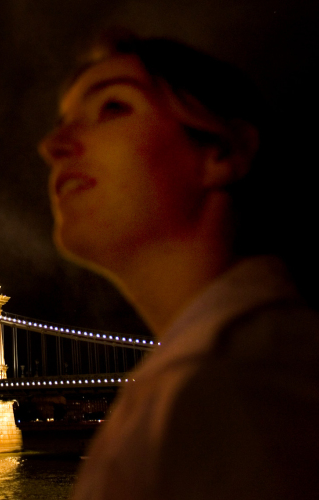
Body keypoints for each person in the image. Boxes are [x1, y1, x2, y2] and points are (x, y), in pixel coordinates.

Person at [39, 35, 319, 499]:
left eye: (112, 107)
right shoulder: (220, 375)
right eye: (62, 122)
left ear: (222, 153)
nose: (52, 145)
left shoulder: (243, 390)